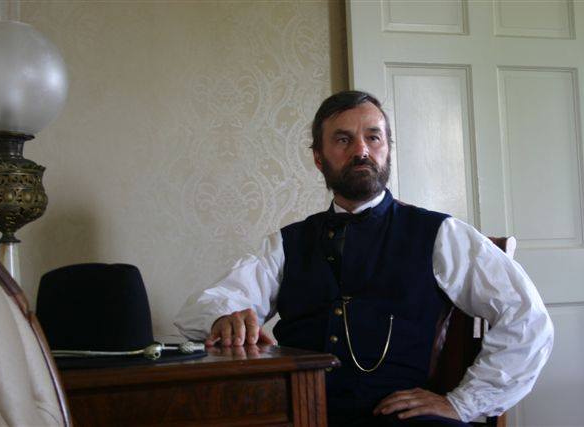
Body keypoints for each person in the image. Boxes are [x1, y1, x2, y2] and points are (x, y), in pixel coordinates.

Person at [174, 90, 554, 426]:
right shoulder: (287, 243)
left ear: (387, 149)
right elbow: (198, 311)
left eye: (373, 137)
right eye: (343, 139)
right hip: (302, 412)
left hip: (402, 418)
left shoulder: (441, 234)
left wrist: (462, 403)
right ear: (319, 159)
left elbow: (527, 318)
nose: (361, 150)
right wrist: (225, 317)